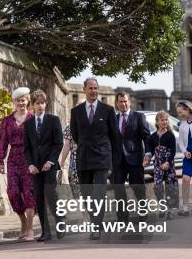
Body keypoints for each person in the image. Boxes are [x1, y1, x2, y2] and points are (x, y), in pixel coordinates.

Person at [69, 78, 118, 240]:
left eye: (96, 88)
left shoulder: (108, 110)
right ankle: (94, 221)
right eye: (90, 88)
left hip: (102, 159)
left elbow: (114, 136)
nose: (94, 91)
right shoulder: (76, 112)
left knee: (99, 193)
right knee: (87, 194)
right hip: (84, 159)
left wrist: (111, 159)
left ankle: (97, 226)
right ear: (84, 89)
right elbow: (76, 136)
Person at [23, 89, 63, 241]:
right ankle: (46, 231)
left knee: (51, 196)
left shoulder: (53, 120)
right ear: (32, 105)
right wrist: (30, 164)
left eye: (43, 103)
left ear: (46, 104)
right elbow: (26, 148)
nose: (40, 106)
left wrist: (50, 161)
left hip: (49, 166)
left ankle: (60, 224)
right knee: (39, 198)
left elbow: (58, 143)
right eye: (37, 103)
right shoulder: (27, 124)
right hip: (35, 168)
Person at [0, 87, 36, 241]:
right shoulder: (7, 121)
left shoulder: (33, 118)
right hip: (13, 159)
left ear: (27, 101)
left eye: (23, 100)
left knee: (28, 193)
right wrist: (1, 159)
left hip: (29, 158)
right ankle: (23, 222)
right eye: (18, 100)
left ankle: (31, 228)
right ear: (14, 102)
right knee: (13, 192)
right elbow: (2, 140)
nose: (21, 103)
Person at [112, 92, 152, 222]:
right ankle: (122, 217)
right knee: (118, 188)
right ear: (117, 103)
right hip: (118, 160)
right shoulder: (113, 119)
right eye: (120, 102)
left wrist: (148, 153)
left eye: (125, 101)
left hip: (135, 158)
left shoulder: (139, 117)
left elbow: (146, 136)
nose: (123, 104)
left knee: (138, 187)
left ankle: (142, 211)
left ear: (129, 102)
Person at [148, 111, 179, 219]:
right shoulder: (153, 136)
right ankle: (162, 206)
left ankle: (170, 210)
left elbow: (173, 151)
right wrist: (147, 158)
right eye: (162, 120)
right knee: (157, 186)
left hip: (168, 163)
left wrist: (168, 162)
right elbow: (151, 150)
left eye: (166, 120)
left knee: (170, 187)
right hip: (157, 165)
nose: (165, 122)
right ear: (157, 122)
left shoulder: (170, 135)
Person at [58, 125, 80, 199]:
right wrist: (62, 161)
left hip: (75, 163)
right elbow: (66, 145)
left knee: (76, 187)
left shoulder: (71, 127)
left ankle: (83, 205)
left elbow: (67, 145)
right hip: (90, 161)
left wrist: (62, 162)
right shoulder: (70, 127)